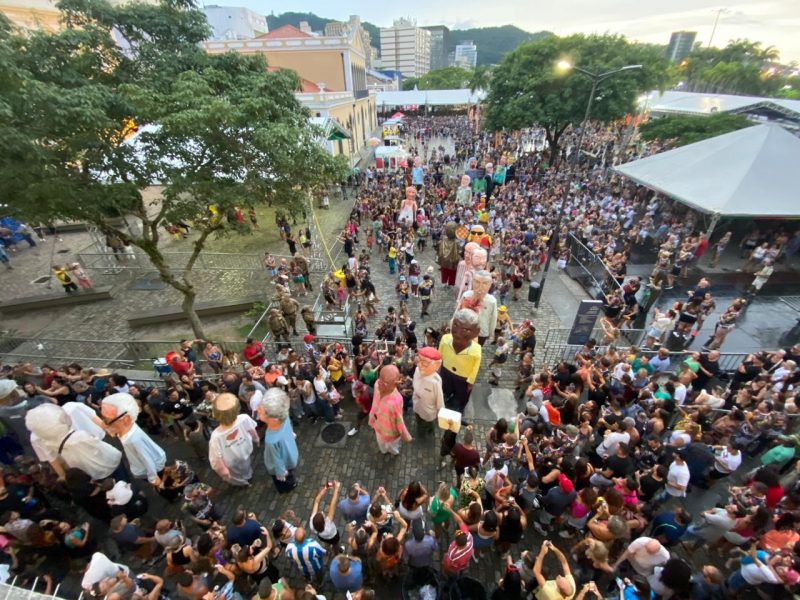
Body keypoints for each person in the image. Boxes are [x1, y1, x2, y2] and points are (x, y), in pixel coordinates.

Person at [100, 393, 166, 487]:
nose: (106, 423)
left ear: (125, 419)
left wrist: (153, 478)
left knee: (164, 486)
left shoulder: (133, 439)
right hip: (150, 463)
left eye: (108, 420)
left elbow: (146, 459)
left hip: (151, 468)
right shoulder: (127, 427)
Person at [257, 388, 299, 493]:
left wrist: (280, 473)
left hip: (282, 466)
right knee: (290, 473)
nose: (258, 409)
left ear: (274, 419)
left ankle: (288, 487)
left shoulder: (271, 440)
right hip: (291, 455)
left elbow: (277, 460)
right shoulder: (284, 419)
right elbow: (289, 428)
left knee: (283, 481)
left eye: (262, 410)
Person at [368, 365, 412, 455]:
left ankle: (392, 451)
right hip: (378, 425)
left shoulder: (396, 400)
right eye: (380, 378)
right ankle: (386, 451)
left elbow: (399, 421)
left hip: (390, 430)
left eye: (384, 382)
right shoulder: (377, 384)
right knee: (382, 443)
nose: (379, 383)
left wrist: (406, 436)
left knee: (391, 445)